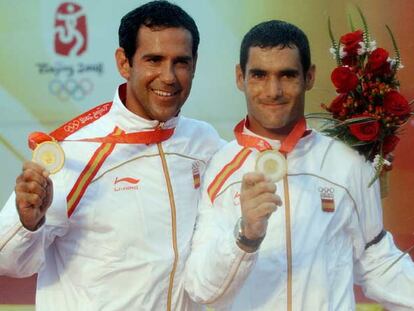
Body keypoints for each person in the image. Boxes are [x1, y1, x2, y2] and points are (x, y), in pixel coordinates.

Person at [0, 1, 223, 310]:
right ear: (124, 62)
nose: (169, 76)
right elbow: (8, 262)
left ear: (195, 64)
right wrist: (26, 222)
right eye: (154, 60)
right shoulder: (72, 152)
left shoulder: (204, 143)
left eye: (181, 62)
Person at [184, 20, 414, 310]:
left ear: (309, 77)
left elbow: (379, 264)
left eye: (288, 75)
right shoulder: (218, 168)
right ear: (240, 77)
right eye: (259, 75)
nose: (273, 91)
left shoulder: (346, 163)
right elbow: (202, 290)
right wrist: (246, 236)